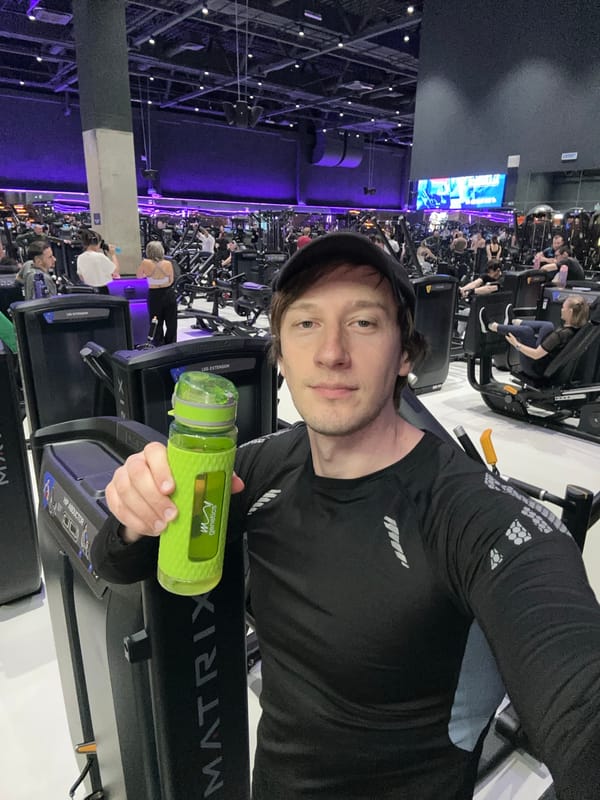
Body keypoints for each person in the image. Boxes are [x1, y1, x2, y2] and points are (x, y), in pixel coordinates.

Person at [92, 232, 600, 800]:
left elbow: (580, 698)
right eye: (305, 323)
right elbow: (113, 560)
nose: (331, 352)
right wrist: (135, 509)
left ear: (405, 351)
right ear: (280, 352)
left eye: (363, 323)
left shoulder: (474, 517)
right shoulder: (255, 471)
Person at [481, 294, 590, 378]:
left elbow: (536, 355)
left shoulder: (560, 335)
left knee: (526, 331)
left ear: (570, 312)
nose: (561, 310)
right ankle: (513, 322)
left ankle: (490, 326)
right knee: (548, 326)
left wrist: (516, 344)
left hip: (536, 369)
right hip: (546, 364)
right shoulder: (579, 331)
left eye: (563, 307)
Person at [136, 241, 177, 346]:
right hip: (168, 293)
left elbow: (139, 276)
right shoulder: (168, 263)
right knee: (171, 321)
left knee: (155, 321)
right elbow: (171, 280)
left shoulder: (145, 262)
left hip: (154, 295)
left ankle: (158, 343)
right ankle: (171, 343)